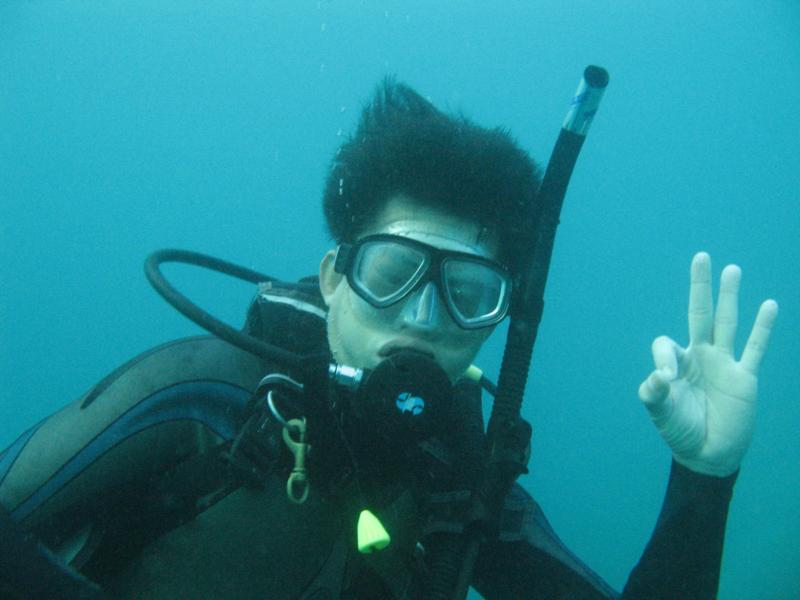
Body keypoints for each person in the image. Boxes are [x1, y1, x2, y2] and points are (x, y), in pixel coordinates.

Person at [0, 79, 778, 599]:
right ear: (335, 278)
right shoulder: (199, 397)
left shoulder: (460, 488)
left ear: (498, 321)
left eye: (467, 293)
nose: (421, 316)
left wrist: (702, 479)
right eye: (394, 271)